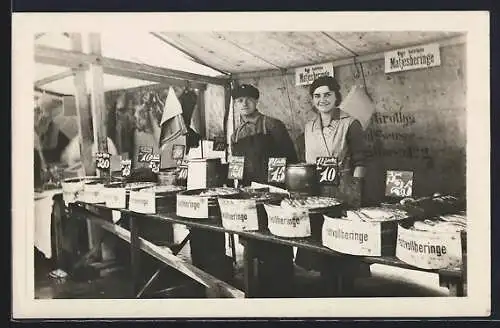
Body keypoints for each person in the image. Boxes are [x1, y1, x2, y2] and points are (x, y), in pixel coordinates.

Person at [296, 76, 368, 296]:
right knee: (320, 241)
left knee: (342, 242)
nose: (322, 99)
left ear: (337, 96)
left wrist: (354, 190)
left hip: (343, 191)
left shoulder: (351, 123)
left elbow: (361, 161)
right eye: (317, 96)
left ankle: (345, 290)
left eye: (327, 94)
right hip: (317, 191)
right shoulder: (309, 127)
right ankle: (326, 287)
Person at [230, 84, 298, 297]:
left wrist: (281, 189)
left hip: (274, 191)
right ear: (235, 104)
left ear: (256, 101)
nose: (244, 103)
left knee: (277, 241)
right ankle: (260, 288)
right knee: (254, 241)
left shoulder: (272, 125)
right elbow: (236, 164)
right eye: (239, 100)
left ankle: (283, 288)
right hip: (249, 193)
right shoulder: (236, 133)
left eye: (248, 99)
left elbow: (291, 157)